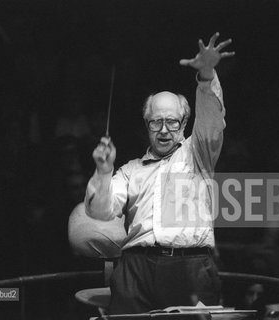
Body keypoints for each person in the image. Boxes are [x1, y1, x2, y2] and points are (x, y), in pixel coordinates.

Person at [84, 32, 234, 314]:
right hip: (134, 269)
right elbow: (99, 212)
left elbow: (213, 119)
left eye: (172, 122)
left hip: (188, 266)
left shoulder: (198, 152)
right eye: (156, 123)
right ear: (146, 124)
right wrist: (103, 172)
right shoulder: (130, 170)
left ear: (185, 122)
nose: (164, 130)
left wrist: (206, 74)